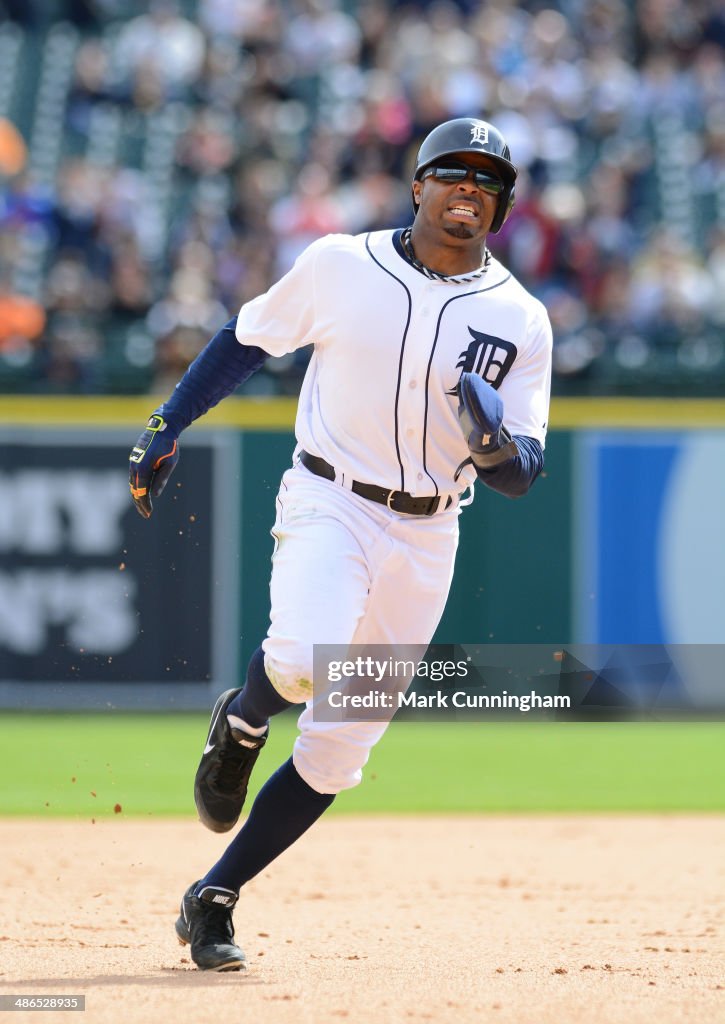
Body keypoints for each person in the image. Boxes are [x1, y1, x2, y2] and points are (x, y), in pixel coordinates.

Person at [128, 117, 553, 972]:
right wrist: (168, 422)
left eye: (485, 181)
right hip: (331, 499)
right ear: (417, 185)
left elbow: (523, 470)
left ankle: (214, 896)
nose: (467, 189)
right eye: (451, 173)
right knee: (296, 658)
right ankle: (244, 719)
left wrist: (496, 451)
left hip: (431, 529)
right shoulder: (339, 264)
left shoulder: (521, 317)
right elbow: (246, 339)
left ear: (500, 206)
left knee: (340, 744)